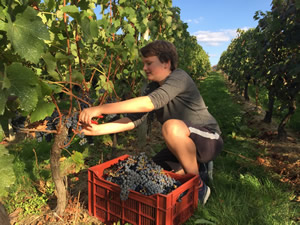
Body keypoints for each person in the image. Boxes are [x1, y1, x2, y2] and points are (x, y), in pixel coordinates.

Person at [79, 40, 223, 205]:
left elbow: (150, 102)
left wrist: (100, 109)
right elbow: (134, 120)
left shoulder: (179, 77)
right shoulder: (153, 87)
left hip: (209, 139)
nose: (144, 68)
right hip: (184, 142)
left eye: (149, 63)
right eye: (144, 64)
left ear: (166, 63)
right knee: (151, 171)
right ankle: (198, 168)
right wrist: (96, 130)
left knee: (171, 127)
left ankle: (198, 186)